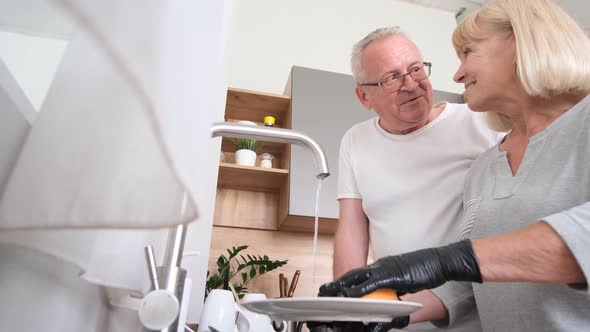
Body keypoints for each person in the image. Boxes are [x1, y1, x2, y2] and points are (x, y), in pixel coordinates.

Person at [320, 0, 590, 331]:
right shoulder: (483, 171)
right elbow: (472, 283)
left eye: (468, 52)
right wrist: (392, 313)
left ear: (520, 44)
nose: (457, 74)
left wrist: (448, 260)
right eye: (392, 77)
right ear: (365, 97)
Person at [330, 27, 503, 331]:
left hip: (471, 319)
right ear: (364, 96)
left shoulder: (479, 121)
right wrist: (348, 307)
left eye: (416, 69)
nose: (411, 84)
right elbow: (352, 229)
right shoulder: (355, 141)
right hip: (394, 321)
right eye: (392, 78)